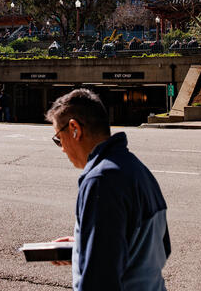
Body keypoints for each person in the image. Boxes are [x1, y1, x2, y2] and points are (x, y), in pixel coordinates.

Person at [46, 89, 170, 290]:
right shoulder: (137, 169)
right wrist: (84, 244)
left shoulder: (100, 180)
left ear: (74, 128)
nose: (62, 148)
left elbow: (99, 280)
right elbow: (160, 247)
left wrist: (92, 248)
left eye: (59, 139)